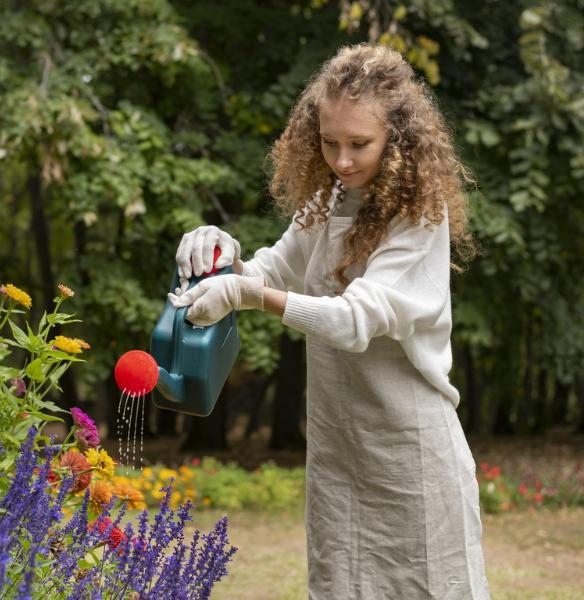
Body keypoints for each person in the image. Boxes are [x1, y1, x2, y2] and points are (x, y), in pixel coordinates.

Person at [171, 44, 490, 599]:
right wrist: (224, 256)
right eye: (328, 141)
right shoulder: (326, 201)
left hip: (408, 451)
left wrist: (246, 294)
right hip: (339, 450)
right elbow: (274, 268)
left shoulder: (419, 217)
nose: (342, 160)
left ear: (397, 138)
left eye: (359, 144)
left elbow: (353, 321)